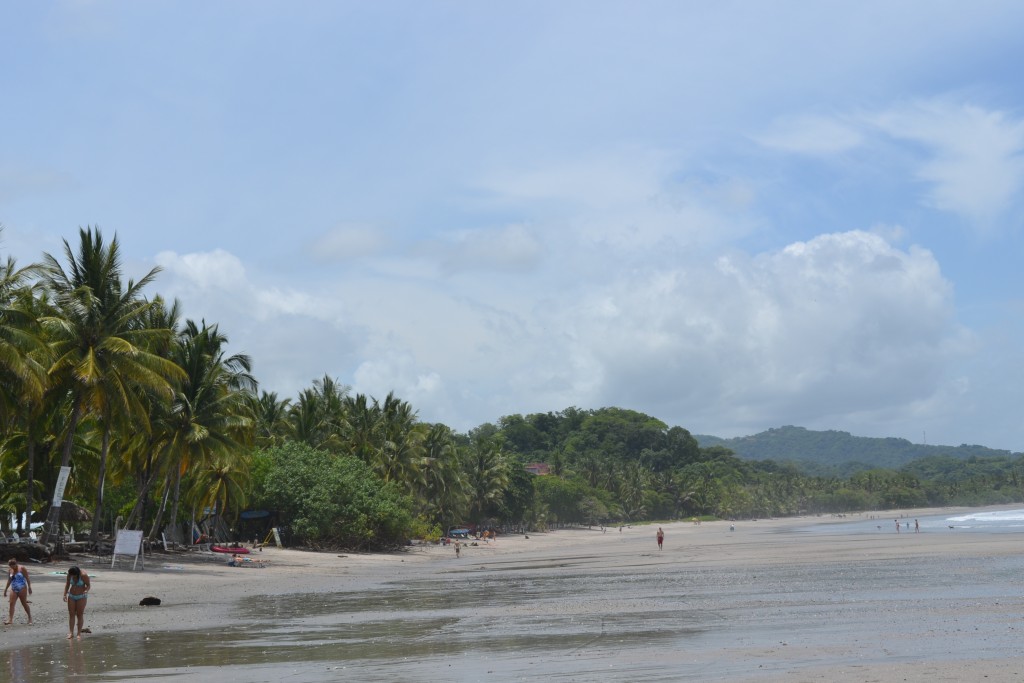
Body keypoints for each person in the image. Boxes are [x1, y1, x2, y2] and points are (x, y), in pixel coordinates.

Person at [63, 566, 90, 640]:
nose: (72, 576)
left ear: (77, 573)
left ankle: (78, 633)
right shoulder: (69, 574)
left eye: (73, 575)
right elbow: (68, 584)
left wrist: (86, 590)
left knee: (79, 614)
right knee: (71, 614)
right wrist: (65, 594)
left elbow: (88, 585)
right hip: (71, 596)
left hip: (81, 596)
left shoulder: (83, 575)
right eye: (71, 575)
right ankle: (71, 633)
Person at [4, 558, 32, 625]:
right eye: (10, 566)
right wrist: (5, 590)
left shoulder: (22, 568)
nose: (12, 567)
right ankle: (10, 620)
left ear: (15, 564)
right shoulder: (10, 570)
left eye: (13, 566)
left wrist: (29, 587)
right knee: (11, 604)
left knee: (24, 603)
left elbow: (27, 578)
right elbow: (9, 581)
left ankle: (30, 618)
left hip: (22, 588)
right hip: (13, 588)